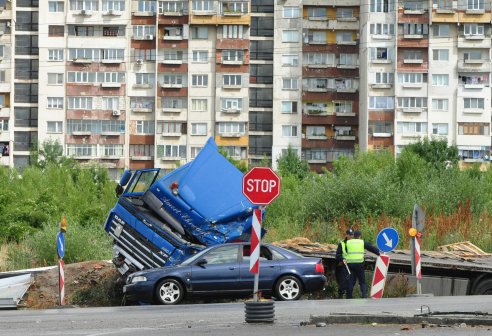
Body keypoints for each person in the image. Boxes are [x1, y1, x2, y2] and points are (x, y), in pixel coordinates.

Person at [345, 230, 380, 299]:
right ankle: (364, 296)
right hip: (359, 264)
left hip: (350, 264)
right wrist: (379, 253)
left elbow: (344, 251)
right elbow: (371, 248)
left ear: (353, 236)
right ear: (360, 236)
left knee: (351, 281)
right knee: (362, 281)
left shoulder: (348, 242)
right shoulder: (362, 242)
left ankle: (349, 297)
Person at [335, 228, 354, 299]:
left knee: (351, 283)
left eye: (352, 235)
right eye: (350, 235)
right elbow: (338, 255)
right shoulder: (342, 244)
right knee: (342, 282)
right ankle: (340, 296)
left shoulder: (355, 243)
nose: (351, 237)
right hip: (344, 265)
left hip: (353, 265)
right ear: (346, 235)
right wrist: (343, 259)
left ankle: (349, 297)